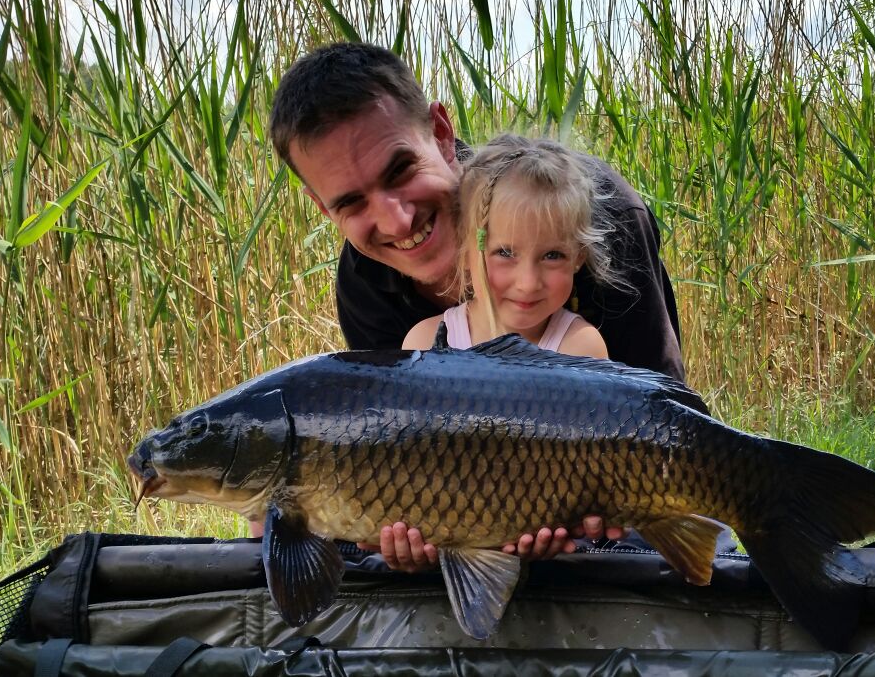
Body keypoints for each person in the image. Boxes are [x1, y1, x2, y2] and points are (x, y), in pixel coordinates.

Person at [268, 42, 688, 569]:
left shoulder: (590, 211)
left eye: (400, 171)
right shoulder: (365, 284)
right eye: (351, 203)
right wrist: (420, 533)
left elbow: (666, 419)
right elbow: (413, 462)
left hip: (618, 514)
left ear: (442, 134)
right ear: (321, 206)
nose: (397, 221)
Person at [402, 135, 615, 358]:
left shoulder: (581, 348)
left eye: (552, 255)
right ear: (463, 251)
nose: (528, 284)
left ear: (578, 256)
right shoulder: (425, 343)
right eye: (504, 253)